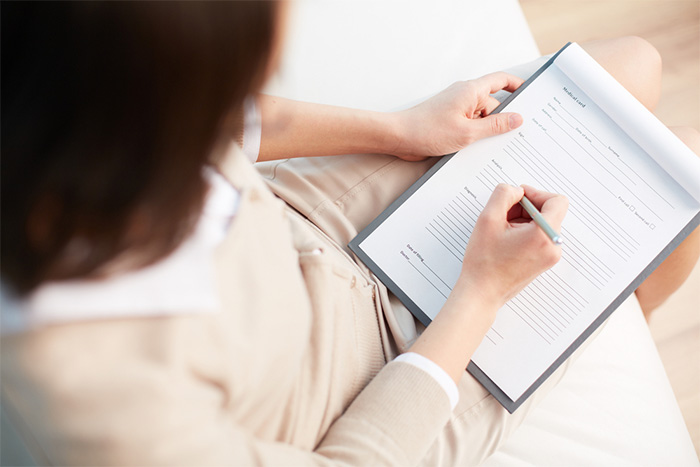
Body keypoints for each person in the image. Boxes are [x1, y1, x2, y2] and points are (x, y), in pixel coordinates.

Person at [1, 2, 698, 465]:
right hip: (359, 398)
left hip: (302, 228)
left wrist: (402, 130)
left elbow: (233, 121)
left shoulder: (61, 91)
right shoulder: (107, 404)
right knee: (673, 211)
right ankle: (607, 319)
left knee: (632, 65)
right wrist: (482, 295)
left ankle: (596, 308)